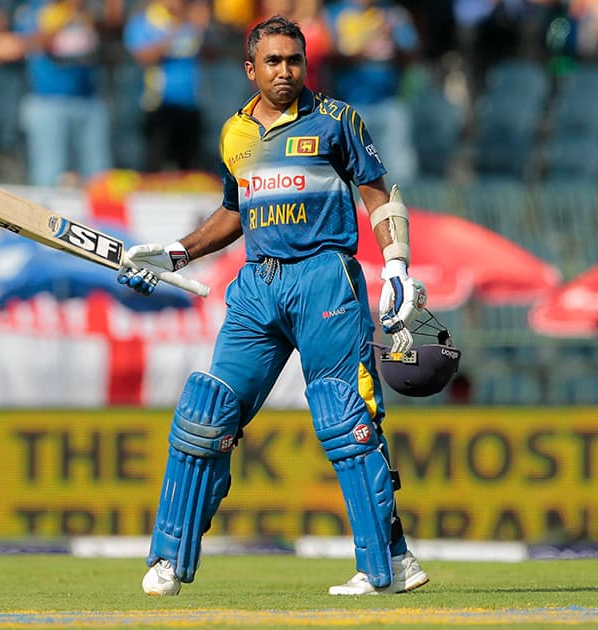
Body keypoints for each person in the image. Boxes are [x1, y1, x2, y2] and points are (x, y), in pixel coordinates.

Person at [117, 14, 430, 597]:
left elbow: (380, 196)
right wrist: (177, 253)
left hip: (325, 280)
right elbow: (235, 213)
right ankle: (168, 560)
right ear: (250, 69)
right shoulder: (235, 134)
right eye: (273, 61)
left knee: (345, 417)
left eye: (293, 60)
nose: (284, 70)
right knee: (205, 413)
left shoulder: (337, 120)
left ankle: (385, 566)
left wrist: (397, 265)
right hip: (257, 287)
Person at [12, 0, 118, 186]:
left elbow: (113, 26)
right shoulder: (36, 9)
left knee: (99, 174)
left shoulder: (89, 10)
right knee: (48, 173)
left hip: (89, 99)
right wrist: (67, 14)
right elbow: (33, 43)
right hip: (48, 102)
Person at [324, 0, 421, 183]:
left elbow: (413, 55)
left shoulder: (394, 13)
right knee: (353, 169)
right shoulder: (335, 13)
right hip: (350, 105)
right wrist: (363, 45)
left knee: (401, 169)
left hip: (390, 102)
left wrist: (392, 37)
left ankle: (400, 210)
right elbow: (327, 57)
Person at [124, 0, 211, 172]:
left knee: (189, 167)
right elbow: (143, 56)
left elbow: (211, 53)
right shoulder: (145, 22)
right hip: (158, 105)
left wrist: (201, 29)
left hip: (190, 104)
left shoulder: (192, 22)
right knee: (154, 165)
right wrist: (175, 32)